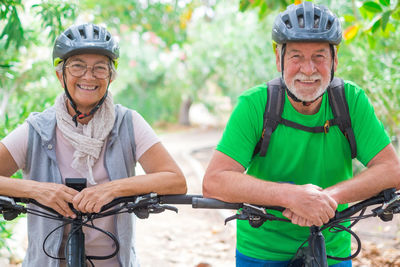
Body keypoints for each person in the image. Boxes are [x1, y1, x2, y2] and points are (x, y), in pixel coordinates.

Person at [202, 2, 400, 267]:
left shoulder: (350, 101)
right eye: (296, 56)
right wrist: (292, 196)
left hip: (331, 247)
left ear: (335, 59)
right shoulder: (255, 104)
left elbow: (390, 169)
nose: (308, 69)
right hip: (262, 250)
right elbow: (215, 181)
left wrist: (328, 198)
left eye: (319, 56)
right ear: (278, 58)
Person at [0, 23, 187, 267]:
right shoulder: (38, 129)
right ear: (60, 75)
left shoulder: (127, 123)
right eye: (78, 66)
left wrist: (113, 189)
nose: (89, 76)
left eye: (100, 68)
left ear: (110, 77)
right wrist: (37, 190)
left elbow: (175, 180)